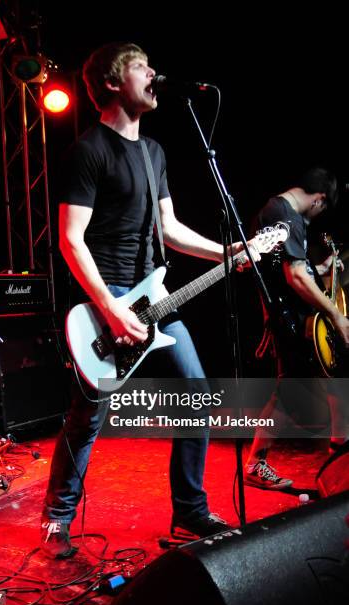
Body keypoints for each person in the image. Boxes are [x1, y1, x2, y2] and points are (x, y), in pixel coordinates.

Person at [40, 42, 260, 558]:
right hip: (106, 297)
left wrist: (225, 252)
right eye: (141, 66)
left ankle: (188, 510)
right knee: (87, 416)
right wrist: (112, 308)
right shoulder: (89, 150)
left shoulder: (153, 151)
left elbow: (169, 227)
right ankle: (57, 519)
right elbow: (71, 239)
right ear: (113, 83)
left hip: (154, 294)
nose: (154, 73)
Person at [244, 167, 349, 489]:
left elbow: (291, 268)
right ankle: (255, 464)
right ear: (319, 200)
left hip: (295, 316)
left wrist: (320, 268)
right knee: (288, 390)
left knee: (335, 378)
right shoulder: (282, 212)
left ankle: (339, 447)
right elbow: (295, 277)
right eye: (322, 209)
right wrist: (336, 314)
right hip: (288, 318)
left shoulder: (279, 212)